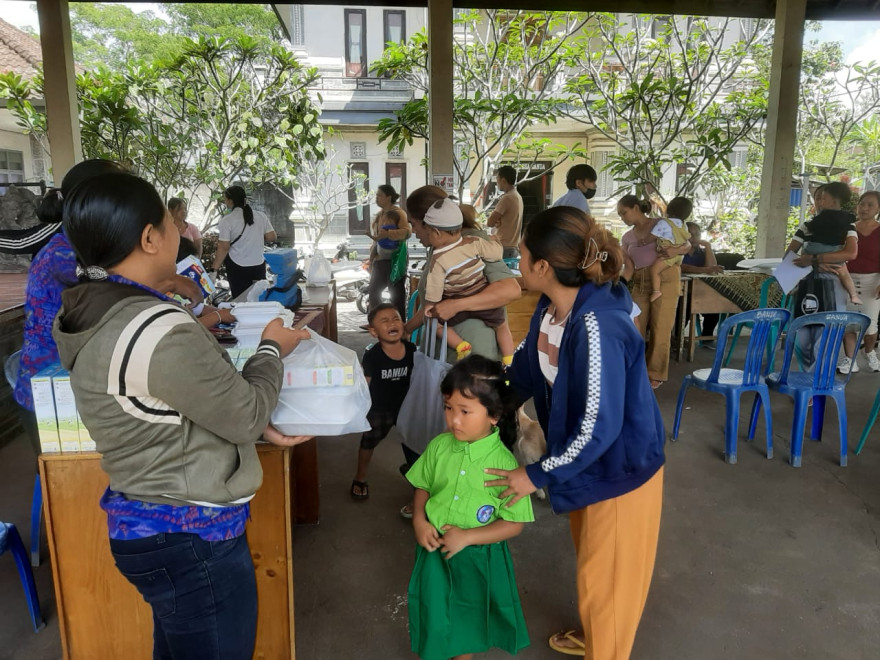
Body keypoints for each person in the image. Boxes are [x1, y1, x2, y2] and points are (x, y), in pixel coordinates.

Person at [52, 171, 312, 659]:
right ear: (150, 237)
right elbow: (242, 417)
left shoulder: (91, 310)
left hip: (146, 522)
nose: (181, 230)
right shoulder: (156, 326)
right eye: (172, 223)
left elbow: (169, 407)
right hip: (192, 535)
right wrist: (272, 349)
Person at [483, 207, 666, 659]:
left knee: (608, 584)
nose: (516, 262)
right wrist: (481, 405)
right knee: (596, 573)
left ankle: (606, 644)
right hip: (585, 466)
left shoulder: (599, 327)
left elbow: (598, 428)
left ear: (542, 267)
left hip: (620, 470)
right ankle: (600, 631)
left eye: (520, 255)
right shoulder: (553, 310)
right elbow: (523, 372)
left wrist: (536, 474)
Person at [13, 159, 203, 461]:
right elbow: (120, 286)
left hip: (84, 388)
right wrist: (171, 283)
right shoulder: (62, 253)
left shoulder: (95, 250)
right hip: (53, 396)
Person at [407, 355, 533, 660]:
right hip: (435, 550)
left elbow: (513, 524)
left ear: (494, 415)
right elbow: (423, 485)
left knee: (468, 620)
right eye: (449, 408)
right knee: (433, 611)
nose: (454, 420)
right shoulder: (439, 445)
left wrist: (468, 537)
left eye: (465, 411)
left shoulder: (506, 466)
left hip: (478, 558)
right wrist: (419, 521)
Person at [404, 186, 521, 362]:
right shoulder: (439, 247)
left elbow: (510, 290)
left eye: (413, 223)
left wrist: (456, 305)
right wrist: (407, 328)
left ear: (430, 224)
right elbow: (433, 305)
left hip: (474, 357)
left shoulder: (473, 242)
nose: (413, 231)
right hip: (445, 356)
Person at [619, 194, 689, 389]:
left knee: (661, 327)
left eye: (624, 213)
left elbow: (687, 243)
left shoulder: (662, 223)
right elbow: (629, 267)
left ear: (635, 208)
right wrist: (619, 285)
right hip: (640, 280)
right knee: (635, 326)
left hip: (666, 277)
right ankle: (635, 370)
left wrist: (678, 251)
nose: (622, 218)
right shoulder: (627, 237)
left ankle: (655, 374)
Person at [350, 303, 416, 500]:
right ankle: (360, 477)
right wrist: (359, 409)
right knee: (369, 442)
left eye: (396, 319)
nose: (392, 323)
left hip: (406, 406)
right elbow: (365, 385)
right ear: (373, 331)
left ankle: (416, 473)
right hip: (379, 409)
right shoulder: (373, 356)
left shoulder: (412, 350)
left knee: (414, 442)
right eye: (384, 321)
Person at [785, 182, 861, 306]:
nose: (820, 202)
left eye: (823, 198)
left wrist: (814, 259)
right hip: (808, 283)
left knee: (827, 320)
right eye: (818, 198)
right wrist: (815, 266)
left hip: (833, 285)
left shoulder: (849, 226)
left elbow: (851, 253)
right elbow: (788, 257)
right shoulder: (807, 226)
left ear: (835, 201)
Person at [210, 186, 276, 299]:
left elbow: (224, 247)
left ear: (230, 200)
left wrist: (214, 269)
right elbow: (271, 237)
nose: (225, 202)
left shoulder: (227, 220)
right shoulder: (261, 216)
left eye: (225, 199)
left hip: (237, 267)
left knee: (241, 300)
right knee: (258, 297)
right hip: (258, 265)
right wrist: (256, 237)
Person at [840, 191, 880, 373]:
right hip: (846, 280)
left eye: (870, 205)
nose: (864, 208)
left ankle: (869, 352)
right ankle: (850, 360)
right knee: (847, 323)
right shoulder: (848, 229)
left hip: (873, 282)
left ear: (878, 208)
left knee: (870, 325)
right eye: (862, 204)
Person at [367, 184, 410, 320]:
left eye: (380, 195)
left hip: (395, 260)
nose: (377, 198)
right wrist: (371, 259)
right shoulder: (379, 215)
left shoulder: (399, 213)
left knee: (396, 295)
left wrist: (389, 233)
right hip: (380, 260)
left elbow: (407, 233)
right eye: (376, 195)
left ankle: (401, 324)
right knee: (373, 292)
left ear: (388, 197)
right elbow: (376, 240)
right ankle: (376, 322)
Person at [680, 220, 724, 342]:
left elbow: (712, 268)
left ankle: (706, 338)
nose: (694, 238)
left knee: (714, 308)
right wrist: (705, 269)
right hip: (684, 292)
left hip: (702, 291)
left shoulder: (703, 252)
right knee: (683, 310)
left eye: (697, 234)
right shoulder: (679, 250)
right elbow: (682, 267)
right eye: (690, 234)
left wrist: (708, 246)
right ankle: (677, 339)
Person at [647, 196, 693, 302]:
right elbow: (686, 239)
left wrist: (644, 241)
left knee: (654, 270)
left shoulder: (665, 223)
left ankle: (656, 291)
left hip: (668, 255)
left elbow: (652, 236)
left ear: (669, 208)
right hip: (679, 257)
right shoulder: (683, 225)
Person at [486, 165, 524, 259]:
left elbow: (490, 222)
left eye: (497, 179)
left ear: (503, 180)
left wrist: (496, 219)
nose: (496, 182)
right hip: (513, 245)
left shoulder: (507, 198)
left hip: (504, 246)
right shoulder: (517, 196)